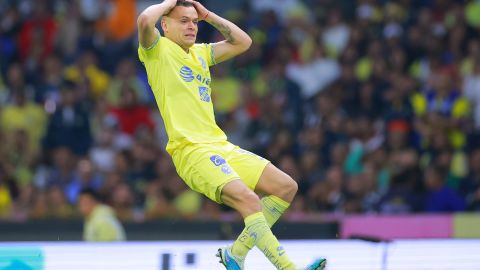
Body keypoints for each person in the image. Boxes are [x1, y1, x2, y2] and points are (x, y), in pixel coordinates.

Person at [137, 1, 326, 269]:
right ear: (165, 25)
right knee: (248, 199)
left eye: (194, 22)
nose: (191, 26)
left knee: (286, 187)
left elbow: (243, 42)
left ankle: (235, 254)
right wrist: (170, 2)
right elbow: (145, 20)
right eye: (183, 21)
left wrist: (209, 15)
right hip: (192, 151)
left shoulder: (200, 53)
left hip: (220, 146)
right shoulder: (157, 50)